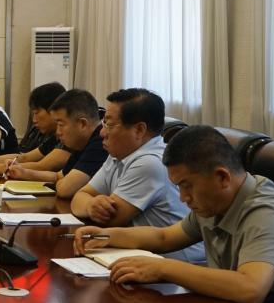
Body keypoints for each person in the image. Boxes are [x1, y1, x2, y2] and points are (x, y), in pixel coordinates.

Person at [74, 125, 274, 303]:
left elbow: (251, 290)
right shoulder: (216, 201)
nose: (183, 198)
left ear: (222, 177)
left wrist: (163, 268)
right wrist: (106, 235)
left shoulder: (265, 210)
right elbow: (164, 237)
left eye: (186, 185)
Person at [70, 89, 204, 262]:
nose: (102, 132)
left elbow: (110, 220)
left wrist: (90, 206)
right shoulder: (119, 153)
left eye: (109, 125)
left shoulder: (150, 163)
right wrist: (90, 205)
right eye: (104, 123)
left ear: (139, 130)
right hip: (141, 254)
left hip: (176, 263)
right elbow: (79, 197)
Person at [8, 88, 108, 198]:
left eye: (61, 125)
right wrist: (23, 173)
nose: (58, 132)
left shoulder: (100, 142)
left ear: (82, 124)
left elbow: (66, 189)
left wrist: (62, 182)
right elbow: (59, 176)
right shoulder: (81, 143)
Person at [0, 82, 68, 175]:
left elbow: (42, 166)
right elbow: (24, 157)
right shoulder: (53, 138)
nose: (34, 120)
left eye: (36, 113)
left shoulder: (68, 139)